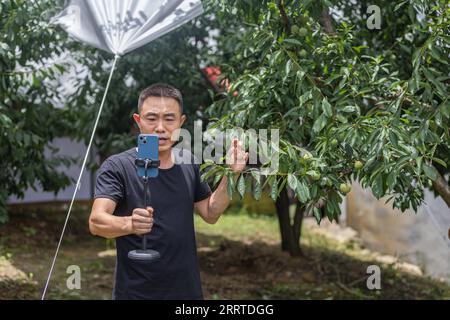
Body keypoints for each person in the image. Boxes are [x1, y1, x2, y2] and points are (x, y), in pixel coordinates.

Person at [88, 83, 248, 299]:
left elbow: (211, 213)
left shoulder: (188, 162)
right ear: (138, 121)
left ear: (181, 122)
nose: (160, 127)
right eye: (152, 118)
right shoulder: (118, 166)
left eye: (169, 119)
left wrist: (232, 174)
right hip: (137, 294)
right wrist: (129, 224)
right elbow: (97, 222)